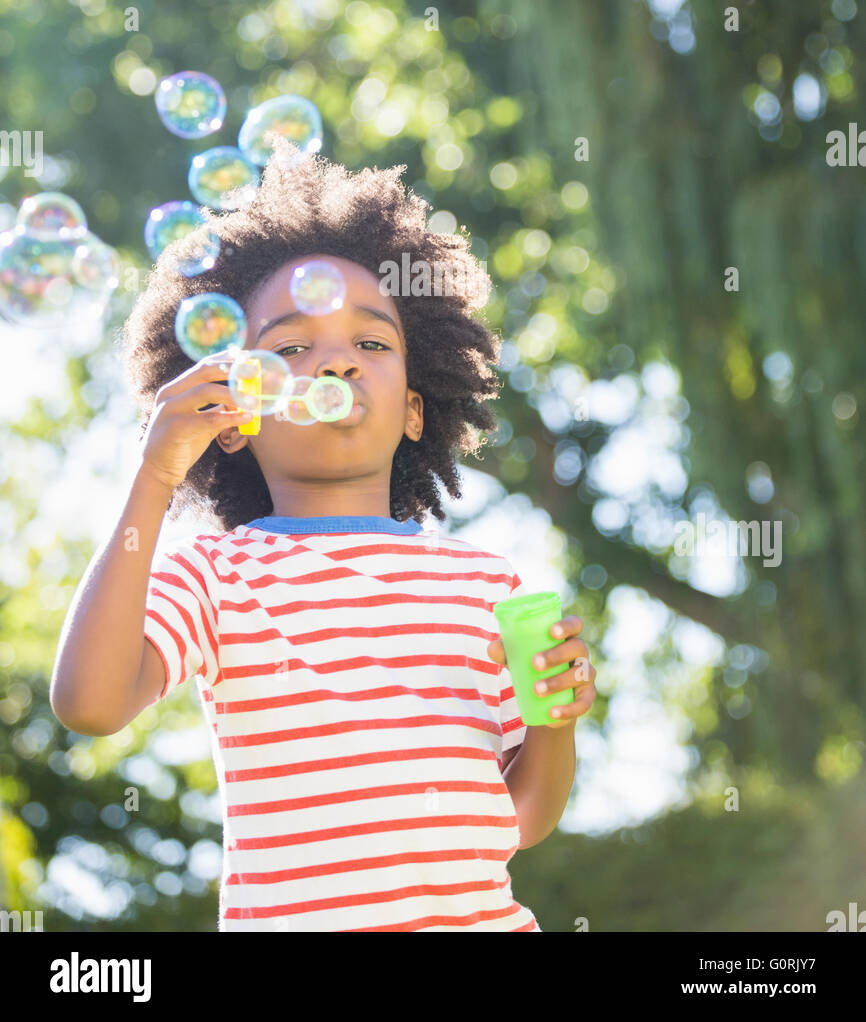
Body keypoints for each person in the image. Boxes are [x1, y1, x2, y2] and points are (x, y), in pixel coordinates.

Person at [50, 148, 594, 931]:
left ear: (413, 410)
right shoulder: (216, 576)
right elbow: (90, 704)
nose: (336, 359)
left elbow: (521, 818)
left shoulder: (484, 587)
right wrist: (154, 477)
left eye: (371, 344)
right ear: (233, 418)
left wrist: (555, 720)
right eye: (293, 348)